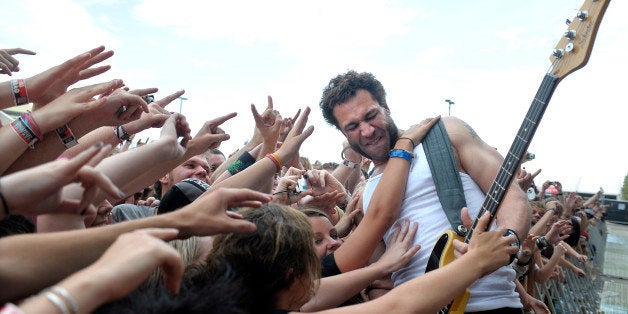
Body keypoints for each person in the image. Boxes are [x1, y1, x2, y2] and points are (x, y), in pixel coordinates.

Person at [319, 70, 530, 312]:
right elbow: (383, 274)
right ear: (343, 133)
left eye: (371, 116)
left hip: (489, 304)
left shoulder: (445, 133)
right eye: (353, 126)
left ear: (386, 107)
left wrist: (508, 241)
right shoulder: (366, 192)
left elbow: (511, 197)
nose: (367, 131)